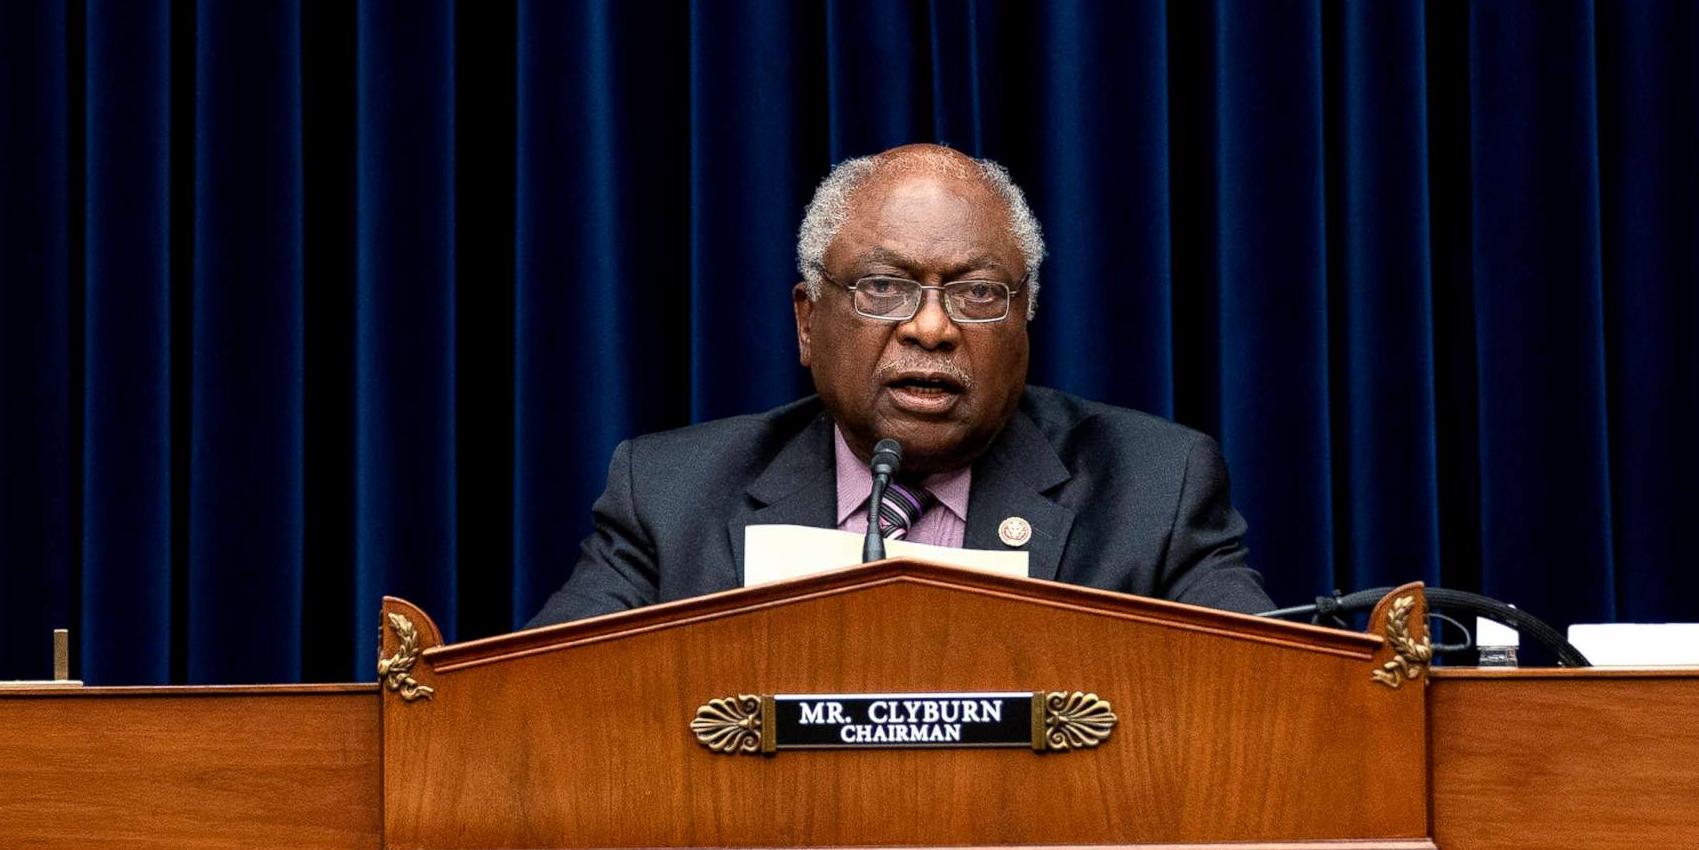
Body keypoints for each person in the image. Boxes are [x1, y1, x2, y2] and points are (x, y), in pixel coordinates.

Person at [528, 144, 1275, 625]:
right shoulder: (670, 497)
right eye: (883, 288)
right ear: (807, 322)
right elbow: (538, 704)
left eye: (979, 294)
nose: (930, 328)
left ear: (1026, 324)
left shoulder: (1154, 492)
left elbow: (1270, 697)